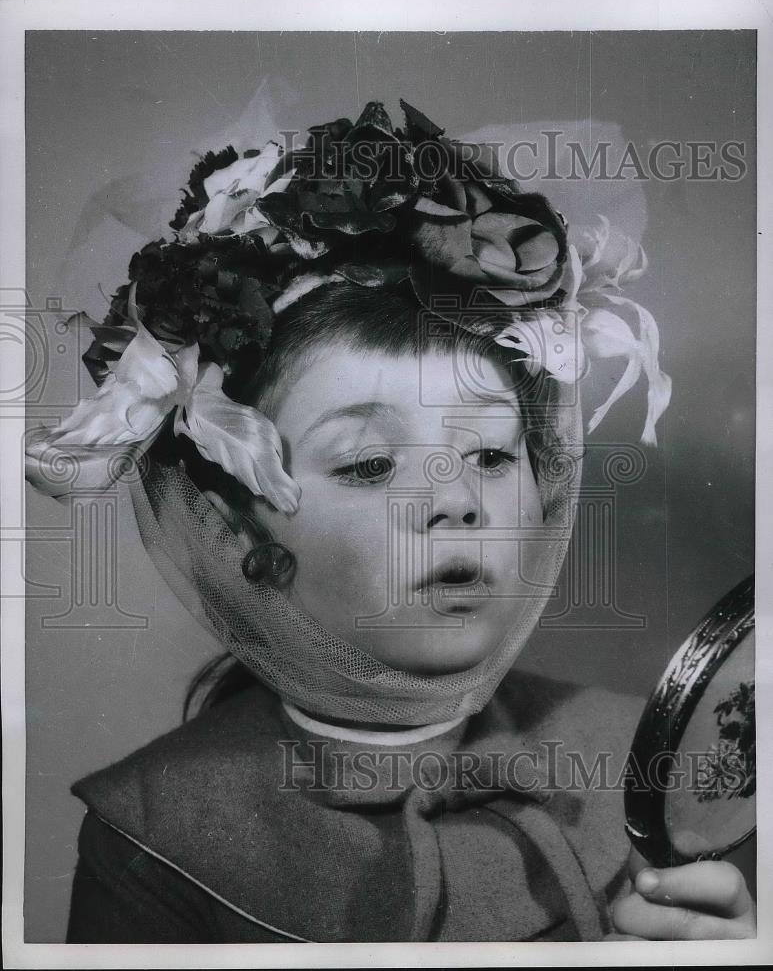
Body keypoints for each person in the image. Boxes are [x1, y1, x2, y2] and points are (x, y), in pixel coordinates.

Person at [26, 99, 755, 943]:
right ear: (238, 531)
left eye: (490, 456)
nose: (455, 501)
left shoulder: (651, 760)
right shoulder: (151, 833)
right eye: (369, 464)